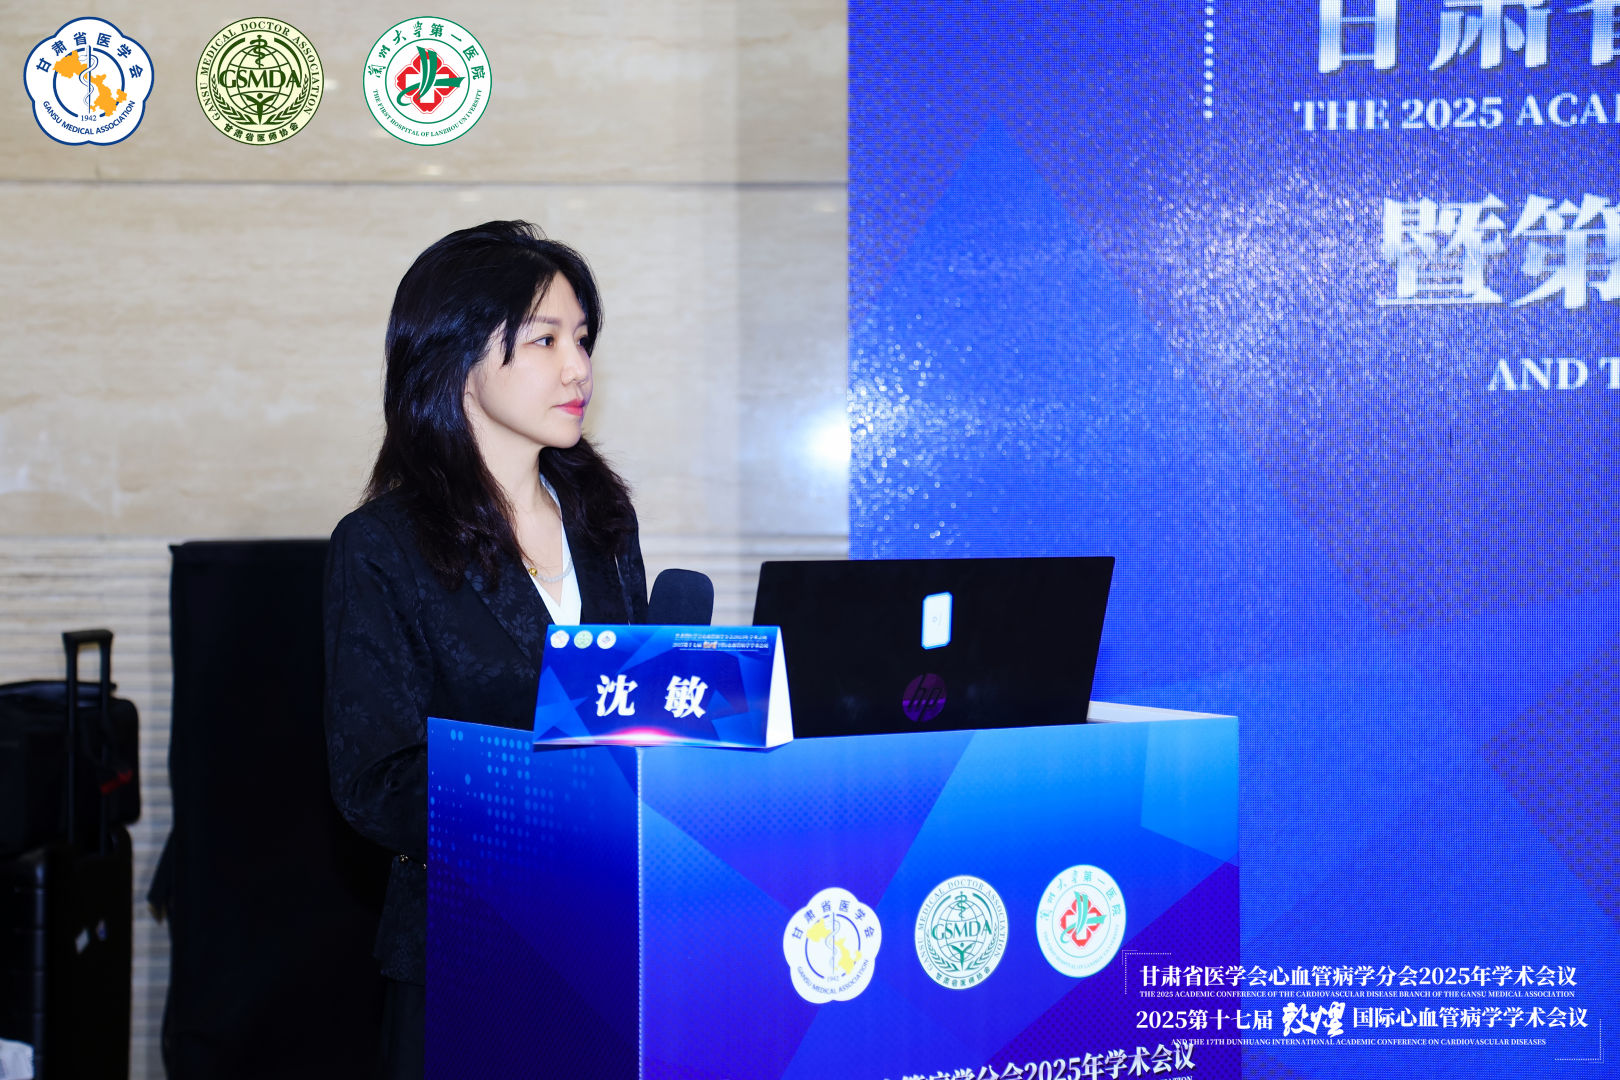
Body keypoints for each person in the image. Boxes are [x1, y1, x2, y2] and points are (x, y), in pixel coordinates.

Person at [322, 221, 647, 1078]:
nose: (578, 368)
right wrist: (549, 785)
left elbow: (635, 717)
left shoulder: (604, 522)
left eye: (583, 339)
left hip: (613, 932)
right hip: (471, 948)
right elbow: (376, 784)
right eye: (544, 340)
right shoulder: (383, 546)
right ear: (458, 357)